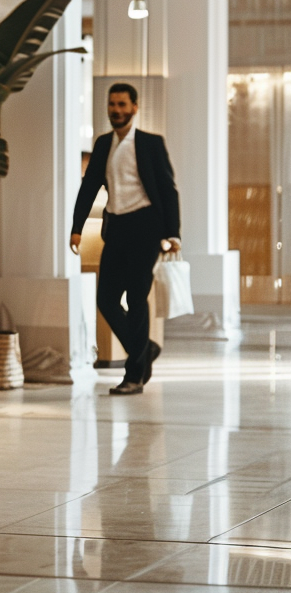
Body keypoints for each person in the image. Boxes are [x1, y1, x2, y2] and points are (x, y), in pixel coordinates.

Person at [69, 83, 181, 396]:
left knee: (135, 298)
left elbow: (169, 190)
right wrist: (76, 226)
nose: (116, 110)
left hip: (146, 227)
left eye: (122, 104)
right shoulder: (103, 144)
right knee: (106, 298)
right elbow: (89, 186)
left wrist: (173, 234)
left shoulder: (150, 143)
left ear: (134, 107)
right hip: (116, 227)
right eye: (112, 104)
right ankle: (144, 349)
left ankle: (134, 375)